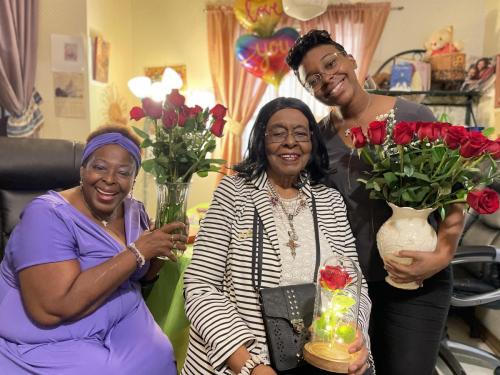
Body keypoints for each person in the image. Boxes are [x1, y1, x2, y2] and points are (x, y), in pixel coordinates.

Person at [286, 30, 466, 375]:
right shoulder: (317, 140)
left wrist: (443, 254)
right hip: (348, 292)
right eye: (314, 80)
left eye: (331, 63)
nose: (327, 79)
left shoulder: (415, 116)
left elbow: (457, 193)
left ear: (351, 60)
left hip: (417, 282)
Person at [182, 97, 372, 375]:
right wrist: (249, 365)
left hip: (319, 358)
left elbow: (354, 284)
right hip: (242, 361)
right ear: (262, 139)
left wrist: (349, 337)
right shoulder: (233, 194)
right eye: (278, 133)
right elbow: (200, 287)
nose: (290, 142)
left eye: (300, 133)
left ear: (312, 142)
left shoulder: (330, 201)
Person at [0, 124, 186, 374]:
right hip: (52, 336)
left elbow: (142, 276)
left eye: (123, 172)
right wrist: (138, 251)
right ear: (82, 169)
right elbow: (52, 308)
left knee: (160, 356)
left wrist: (161, 246)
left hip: (121, 320)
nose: (109, 179)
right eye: (99, 167)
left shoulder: (134, 211)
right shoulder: (46, 215)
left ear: (133, 179)